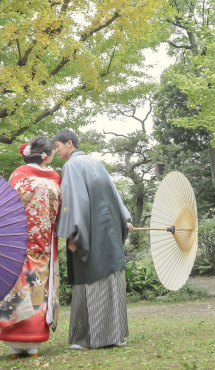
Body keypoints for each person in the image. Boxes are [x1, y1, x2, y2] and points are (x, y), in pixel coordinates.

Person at [52, 128, 134, 350]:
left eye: (57, 146)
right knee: (111, 278)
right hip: (110, 232)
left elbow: (74, 201)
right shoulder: (96, 163)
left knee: (89, 278)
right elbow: (114, 193)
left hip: (89, 232)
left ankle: (86, 339)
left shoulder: (72, 166)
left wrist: (73, 234)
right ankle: (115, 336)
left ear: (69, 143)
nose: (56, 151)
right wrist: (125, 218)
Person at [0, 136, 61, 359]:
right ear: (46, 156)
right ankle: (33, 345)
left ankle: (14, 346)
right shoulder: (53, 182)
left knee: (15, 290)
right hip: (41, 245)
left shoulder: (17, 177)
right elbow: (56, 211)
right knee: (37, 289)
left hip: (14, 244)